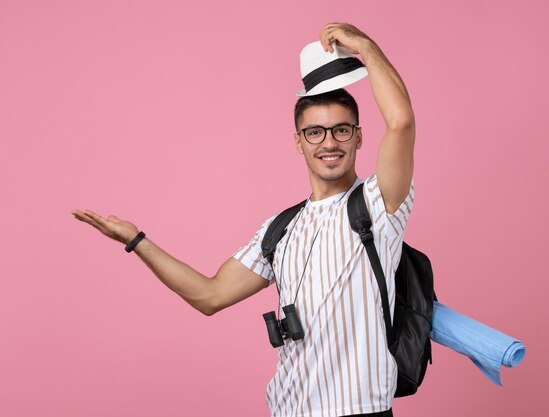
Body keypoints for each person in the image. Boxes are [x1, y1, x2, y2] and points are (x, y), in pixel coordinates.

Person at [72, 22, 415, 417]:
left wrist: (367, 49)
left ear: (358, 136)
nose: (329, 143)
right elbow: (210, 295)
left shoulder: (380, 203)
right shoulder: (279, 228)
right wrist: (137, 241)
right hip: (288, 409)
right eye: (315, 132)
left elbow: (401, 122)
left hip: (358, 411)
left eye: (340, 130)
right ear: (298, 142)